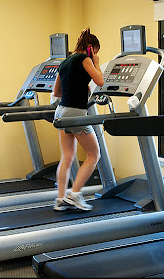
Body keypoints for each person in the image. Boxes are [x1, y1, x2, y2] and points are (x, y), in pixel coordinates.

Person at [50, 28, 105, 211]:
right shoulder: (85, 59)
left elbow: (57, 92)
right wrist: (95, 62)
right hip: (75, 113)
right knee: (94, 155)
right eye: (96, 51)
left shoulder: (65, 62)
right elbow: (100, 81)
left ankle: (60, 199)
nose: (96, 55)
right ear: (91, 48)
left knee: (67, 157)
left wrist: (81, 85)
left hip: (61, 111)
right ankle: (74, 194)